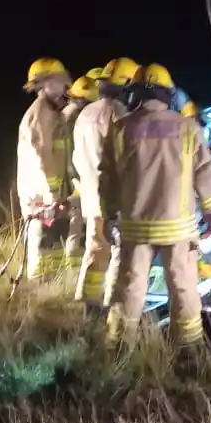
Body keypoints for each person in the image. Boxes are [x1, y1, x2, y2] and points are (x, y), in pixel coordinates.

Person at [100, 62, 211, 345]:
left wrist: (108, 216)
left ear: (136, 94)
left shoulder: (120, 129)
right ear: (168, 94)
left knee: (129, 287)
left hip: (134, 227)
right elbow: (205, 171)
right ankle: (189, 346)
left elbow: (107, 179)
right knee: (184, 287)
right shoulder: (188, 128)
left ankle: (118, 346)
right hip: (178, 227)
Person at [70, 57, 137, 308]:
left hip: (90, 195)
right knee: (120, 252)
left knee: (95, 249)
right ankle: (113, 306)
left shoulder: (86, 112)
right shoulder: (120, 114)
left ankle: (88, 302)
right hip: (113, 197)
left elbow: (76, 157)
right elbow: (124, 160)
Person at [16, 57, 77, 282]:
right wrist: (52, 194)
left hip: (52, 195)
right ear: (43, 84)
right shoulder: (40, 115)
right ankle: (40, 293)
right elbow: (42, 159)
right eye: (59, 81)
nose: (65, 86)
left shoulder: (53, 113)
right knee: (41, 247)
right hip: (41, 196)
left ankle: (53, 290)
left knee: (52, 246)